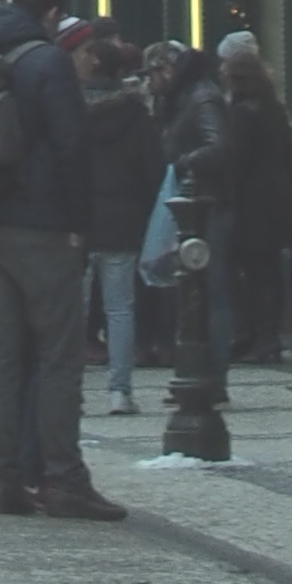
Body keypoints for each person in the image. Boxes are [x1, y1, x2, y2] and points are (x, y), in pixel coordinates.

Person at [0, 0, 124, 522]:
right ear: (51, 14)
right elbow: (72, 146)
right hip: (42, 225)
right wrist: (80, 224)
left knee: (1, 355)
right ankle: (63, 478)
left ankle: (4, 480)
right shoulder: (47, 62)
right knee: (58, 355)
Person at [76, 29, 163, 416]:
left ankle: (72, 392)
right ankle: (119, 391)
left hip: (78, 219)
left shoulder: (71, 110)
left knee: (74, 311)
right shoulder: (136, 114)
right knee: (120, 308)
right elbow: (153, 169)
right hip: (123, 220)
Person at [213, 40, 292, 364]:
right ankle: (268, 336)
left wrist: (224, 195)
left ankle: (256, 336)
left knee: (251, 273)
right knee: (269, 272)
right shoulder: (273, 108)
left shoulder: (242, 113)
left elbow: (235, 161)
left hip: (252, 204)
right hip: (277, 201)